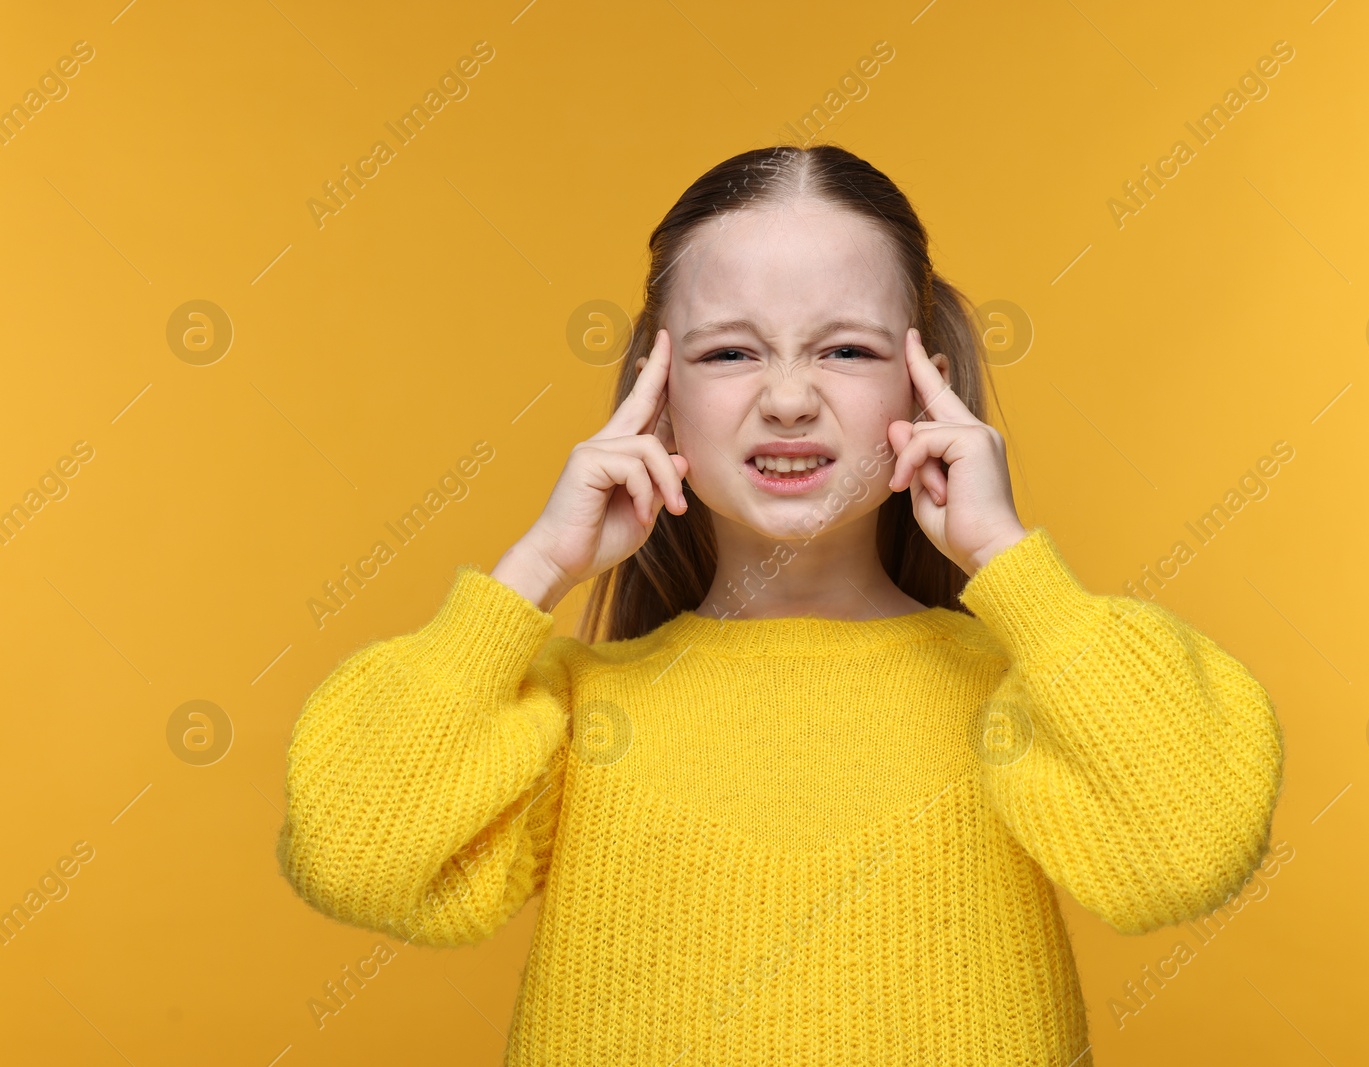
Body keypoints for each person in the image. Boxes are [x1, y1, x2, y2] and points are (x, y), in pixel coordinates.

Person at [275, 143, 1285, 1066]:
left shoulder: (1021, 690)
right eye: (729, 353)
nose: (790, 398)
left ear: (923, 385)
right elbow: (354, 855)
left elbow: (1185, 853)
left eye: (845, 351)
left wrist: (1005, 558)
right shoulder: (576, 707)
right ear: (654, 393)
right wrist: (537, 566)